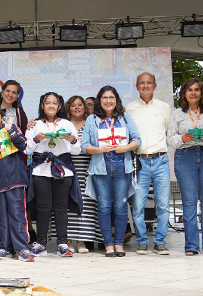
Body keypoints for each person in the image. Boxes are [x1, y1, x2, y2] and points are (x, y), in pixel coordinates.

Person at [82, 86, 141, 257]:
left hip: (123, 167)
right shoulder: (92, 119)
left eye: (112, 97)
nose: (108, 101)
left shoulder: (124, 117)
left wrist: (125, 148)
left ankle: (119, 243)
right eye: (105, 97)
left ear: (116, 100)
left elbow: (137, 140)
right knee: (104, 206)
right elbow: (84, 146)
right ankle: (108, 244)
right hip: (101, 169)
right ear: (99, 100)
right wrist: (100, 149)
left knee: (121, 207)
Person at [25, 92, 83, 257]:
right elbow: (27, 149)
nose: (51, 106)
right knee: (43, 208)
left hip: (63, 170)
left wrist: (71, 139)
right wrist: (36, 139)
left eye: (54, 103)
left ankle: (62, 244)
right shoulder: (34, 124)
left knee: (60, 208)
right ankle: (41, 243)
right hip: (40, 170)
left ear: (59, 106)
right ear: (42, 105)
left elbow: (77, 150)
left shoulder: (67, 123)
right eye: (47, 103)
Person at [167, 78, 203, 256]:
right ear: (184, 93)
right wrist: (183, 139)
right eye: (189, 89)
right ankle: (191, 245)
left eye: (197, 89)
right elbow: (170, 139)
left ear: (201, 93)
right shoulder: (177, 113)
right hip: (185, 156)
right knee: (189, 203)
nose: (193, 93)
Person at [125, 73, 172, 255]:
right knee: (138, 205)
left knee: (163, 204)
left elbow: (167, 131)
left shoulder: (164, 107)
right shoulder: (129, 109)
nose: (145, 86)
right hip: (140, 161)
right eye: (142, 83)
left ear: (155, 85)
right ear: (137, 86)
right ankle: (142, 241)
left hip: (160, 160)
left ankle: (160, 241)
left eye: (149, 83)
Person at [0, 105, 34, 262]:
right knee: (2, 217)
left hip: (16, 178)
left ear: (1, 117)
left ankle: (23, 248)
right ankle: (5, 246)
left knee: (17, 214)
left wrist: (11, 132)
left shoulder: (12, 129)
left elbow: (24, 146)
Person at [59, 95, 102, 254]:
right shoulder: (63, 124)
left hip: (85, 168)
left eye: (80, 105)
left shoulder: (91, 123)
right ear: (68, 108)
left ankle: (82, 241)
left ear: (84, 107)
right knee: (67, 204)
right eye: (73, 105)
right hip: (66, 167)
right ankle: (68, 240)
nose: (77, 108)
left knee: (85, 204)